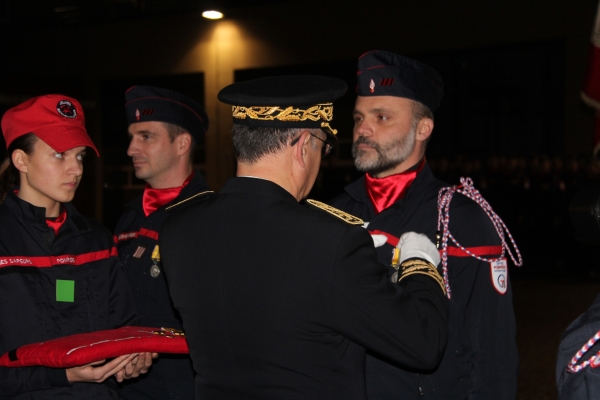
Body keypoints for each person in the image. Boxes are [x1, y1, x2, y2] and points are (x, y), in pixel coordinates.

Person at [158, 75, 449, 400]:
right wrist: (419, 264)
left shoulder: (177, 228)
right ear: (302, 147)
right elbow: (423, 344)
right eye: (322, 147)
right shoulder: (332, 242)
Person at [329, 50, 519, 399]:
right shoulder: (333, 214)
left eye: (381, 117)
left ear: (423, 128)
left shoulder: (461, 219)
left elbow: (492, 352)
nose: (362, 129)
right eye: (358, 118)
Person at [0, 94, 153, 399]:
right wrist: (62, 375)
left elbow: (124, 328)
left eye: (80, 156)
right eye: (60, 154)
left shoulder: (96, 239)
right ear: (21, 160)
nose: (76, 169)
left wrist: (133, 358)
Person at [114, 85, 210, 400]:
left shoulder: (208, 218)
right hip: (121, 386)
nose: (131, 149)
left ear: (182, 143)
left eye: (146, 136)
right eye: (131, 137)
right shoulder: (128, 218)